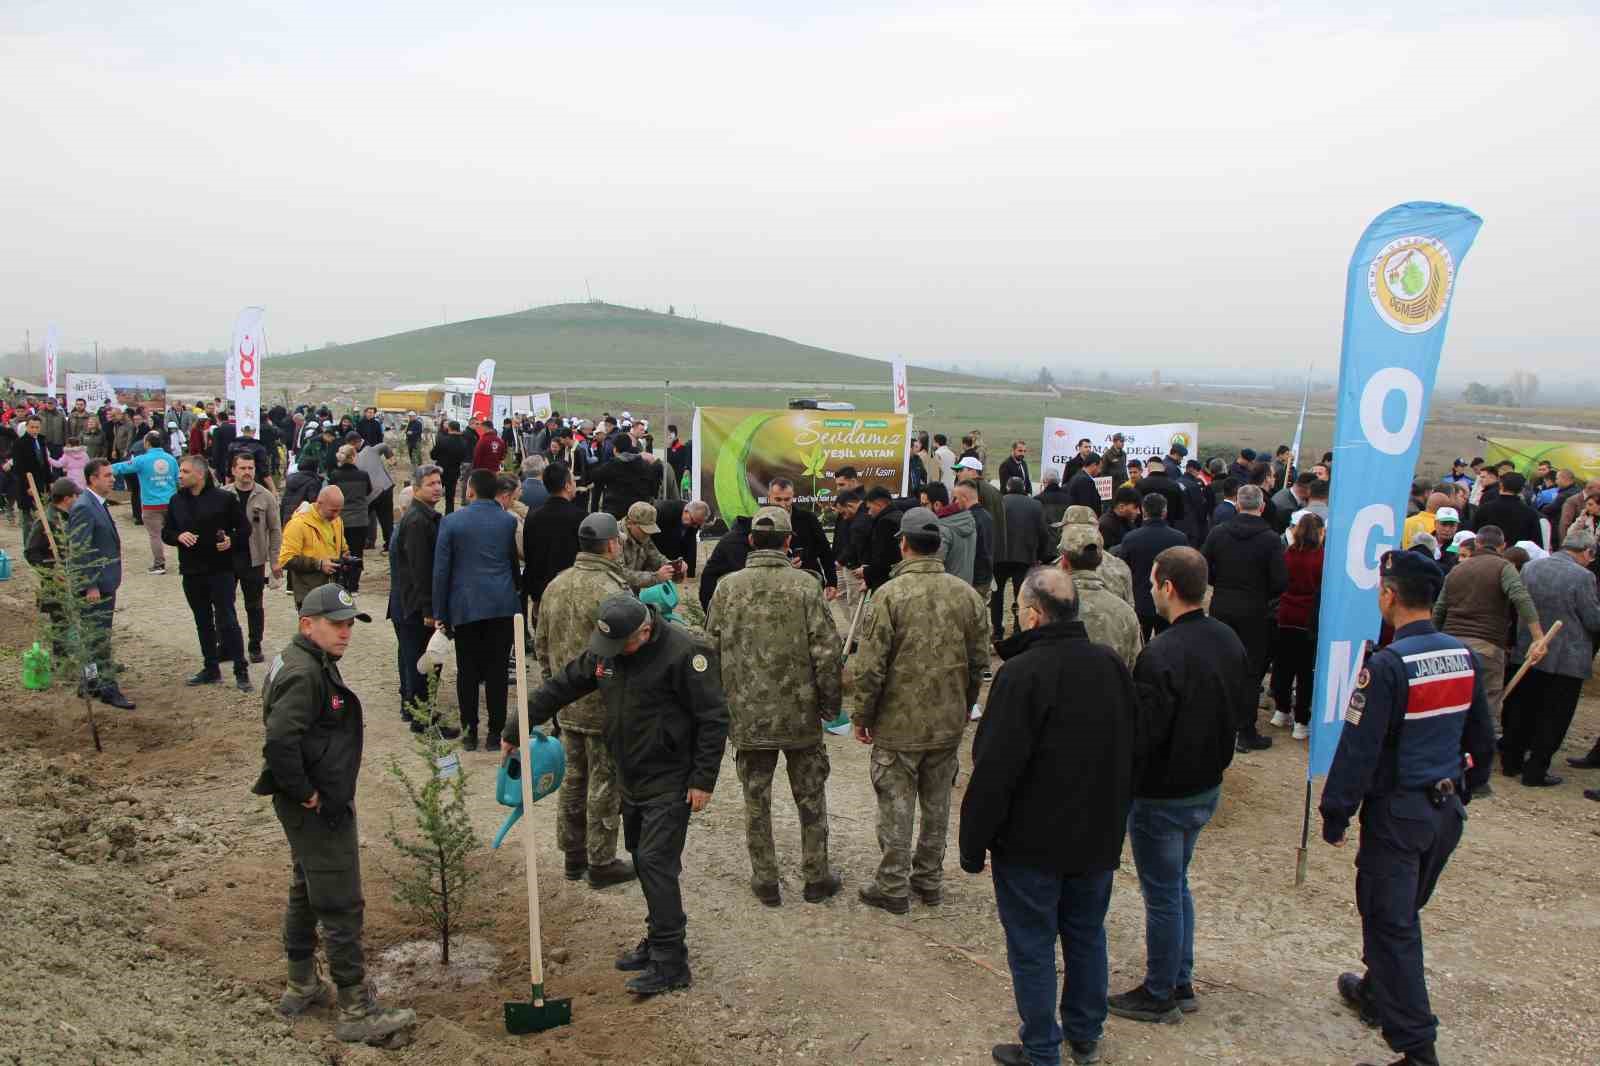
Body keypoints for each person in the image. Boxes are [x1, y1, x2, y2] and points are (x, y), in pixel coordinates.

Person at [502, 593, 729, 995]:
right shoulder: (609, 652)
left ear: (644, 630)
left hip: (670, 777)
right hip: (631, 774)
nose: (612, 654)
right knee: (643, 859)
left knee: (656, 862)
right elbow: (563, 685)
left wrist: (702, 779)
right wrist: (516, 725)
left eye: (620, 645)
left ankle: (671, 962)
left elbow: (713, 718)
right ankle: (658, 939)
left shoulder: (685, 653)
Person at [1319, 551, 1495, 1066]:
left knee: (1391, 924)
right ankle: (1377, 991)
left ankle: (1417, 1048)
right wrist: (1468, 786)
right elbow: (1482, 738)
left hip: (1400, 816)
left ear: (1389, 596)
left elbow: (1359, 748)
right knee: (1400, 910)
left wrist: (1336, 812)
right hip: (1444, 812)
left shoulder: (1388, 666)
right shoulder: (1462, 655)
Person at [961, 567, 1136, 1066]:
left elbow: (993, 768)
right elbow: (1132, 747)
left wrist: (974, 843)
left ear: (1034, 615)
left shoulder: (1021, 675)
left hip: (1031, 845)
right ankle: (1084, 1032)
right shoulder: (1111, 667)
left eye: (1019, 610)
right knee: (1086, 934)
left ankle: (1042, 1048)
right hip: (1095, 837)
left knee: (1033, 945)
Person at [252, 584, 417, 1042]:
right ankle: (354, 1009)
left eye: (349, 624)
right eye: (336, 625)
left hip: (312, 803)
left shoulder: (301, 659)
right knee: (341, 901)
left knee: (307, 886)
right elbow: (280, 741)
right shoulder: (304, 674)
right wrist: (305, 791)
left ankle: (301, 982)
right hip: (317, 807)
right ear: (308, 624)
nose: (345, 633)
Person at [1108, 546, 1249, 1026]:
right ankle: (1179, 978)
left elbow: (1144, 735)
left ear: (1168, 587)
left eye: (1152, 582)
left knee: (1163, 892)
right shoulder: (1228, 639)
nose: (1150, 590)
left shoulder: (1161, 653)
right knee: (1176, 884)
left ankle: (1161, 989)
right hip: (1205, 784)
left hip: (1165, 794)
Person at [846, 506, 989, 915]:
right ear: (940, 546)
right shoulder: (967, 595)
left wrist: (862, 716)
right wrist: (964, 705)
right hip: (947, 720)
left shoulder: (888, 596)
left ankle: (892, 884)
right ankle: (929, 880)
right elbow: (979, 661)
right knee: (937, 803)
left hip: (897, 722)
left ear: (904, 545)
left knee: (896, 803)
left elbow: (870, 666)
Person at [705, 506, 844, 907]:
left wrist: (717, 709)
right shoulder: (806, 586)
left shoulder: (728, 588)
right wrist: (830, 705)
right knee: (811, 796)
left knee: (755, 799)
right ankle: (816, 877)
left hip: (747, 717)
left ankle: (766, 880)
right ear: (788, 542)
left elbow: (709, 649)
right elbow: (826, 651)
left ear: (751, 541)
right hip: (800, 716)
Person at [531, 512, 637, 885]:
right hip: (603, 705)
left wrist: (552, 688)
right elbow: (628, 650)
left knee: (573, 780)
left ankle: (573, 856)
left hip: (565, 701)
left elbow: (540, 643)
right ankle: (601, 861)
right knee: (604, 784)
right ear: (611, 544)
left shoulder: (556, 585)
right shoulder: (612, 592)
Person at [1500, 527, 1600, 787]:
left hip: (1529, 650)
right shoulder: (1583, 577)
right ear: (1586, 552)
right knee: (1553, 718)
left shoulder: (1531, 568)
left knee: (1523, 709)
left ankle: (1511, 762)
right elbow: (1592, 618)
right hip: (1566, 658)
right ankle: (1536, 770)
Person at [431, 468, 518, 751]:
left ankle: (470, 732)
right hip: (501, 604)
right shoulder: (507, 521)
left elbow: (441, 571)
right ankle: (495, 733)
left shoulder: (452, 521)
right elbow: (511, 562)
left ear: (470, 491)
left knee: (467, 671)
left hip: (465, 605)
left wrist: (440, 612)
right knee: (497, 672)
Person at [1432, 525, 1543, 732]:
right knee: (1486, 708)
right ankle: (1479, 757)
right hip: (1487, 646)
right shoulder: (1503, 568)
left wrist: (1431, 642)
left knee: (1448, 706)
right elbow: (1521, 597)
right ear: (1503, 546)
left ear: (1478, 544)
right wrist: (1538, 637)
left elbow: (1439, 609)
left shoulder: (1457, 569)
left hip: (1451, 646)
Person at [1201, 484, 1287, 751]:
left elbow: (1204, 566)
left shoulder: (1218, 533)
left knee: (1220, 664)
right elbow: (1280, 581)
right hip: (1255, 610)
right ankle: (1245, 729)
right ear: (1261, 507)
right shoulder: (1271, 539)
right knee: (1250, 671)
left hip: (1222, 605)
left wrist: (1221, 582)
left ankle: (1216, 722)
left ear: (1238, 505)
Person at [163, 455, 252, 691]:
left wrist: (231, 540)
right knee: (202, 621)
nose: (179, 475)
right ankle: (211, 668)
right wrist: (178, 536)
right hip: (191, 571)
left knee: (227, 620)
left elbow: (245, 528)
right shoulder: (175, 501)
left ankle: (240, 669)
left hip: (220, 570)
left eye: (184, 471)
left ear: (200, 475)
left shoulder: (224, 499)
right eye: (179, 471)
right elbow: (166, 532)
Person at [60, 461, 136, 710]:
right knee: (99, 638)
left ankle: (89, 681)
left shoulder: (96, 504)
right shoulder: (84, 507)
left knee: (94, 637)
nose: (112, 479)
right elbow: (80, 551)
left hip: (104, 582)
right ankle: (107, 688)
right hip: (95, 587)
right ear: (93, 479)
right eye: (107, 476)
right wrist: (90, 585)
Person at [390, 465, 444, 727]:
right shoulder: (418, 521)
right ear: (417, 488)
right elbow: (419, 569)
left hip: (410, 603)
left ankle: (412, 710)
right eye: (431, 483)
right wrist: (428, 610)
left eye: (439, 483)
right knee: (421, 662)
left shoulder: (424, 517)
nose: (437, 487)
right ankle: (421, 718)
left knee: (413, 658)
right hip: (413, 606)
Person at [1057, 521, 1142, 672]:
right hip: (1114, 692)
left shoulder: (1046, 608)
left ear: (1063, 562)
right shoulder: (1125, 612)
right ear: (1100, 560)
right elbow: (1135, 665)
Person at [1271, 512, 1325, 741]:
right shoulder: (1322, 558)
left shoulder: (1289, 554)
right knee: (1305, 673)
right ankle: (1301, 721)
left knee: (1283, 666)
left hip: (1285, 615)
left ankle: (1281, 710)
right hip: (1309, 619)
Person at [229, 453, 283, 665]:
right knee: (225, 604)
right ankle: (227, 644)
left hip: (254, 558)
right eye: (242, 468)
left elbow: (275, 529)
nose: (247, 472)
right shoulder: (224, 495)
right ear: (233, 470)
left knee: (254, 605)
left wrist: (275, 560)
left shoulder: (265, 496)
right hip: (227, 558)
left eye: (250, 468)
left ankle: (255, 645)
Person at [1114, 493, 1188, 641]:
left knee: (1140, 646)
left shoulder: (1131, 539)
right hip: (1170, 602)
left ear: (1143, 510)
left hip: (1140, 601)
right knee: (1168, 647)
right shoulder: (1179, 538)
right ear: (1164, 512)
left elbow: (1122, 570)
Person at [111, 430, 179, 575]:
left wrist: (104, 468)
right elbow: (178, 479)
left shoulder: (141, 460)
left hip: (151, 504)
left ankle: (159, 565)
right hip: (171, 502)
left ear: (147, 444)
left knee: (155, 535)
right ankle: (184, 562)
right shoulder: (171, 459)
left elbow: (122, 467)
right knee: (178, 533)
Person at [994, 476, 1053, 641]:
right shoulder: (1035, 505)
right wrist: (1041, 555)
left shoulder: (999, 502)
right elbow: (1043, 532)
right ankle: (1019, 630)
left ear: (1007, 487)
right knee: (1021, 596)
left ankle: (997, 631)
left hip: (999, 557)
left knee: (996, 596)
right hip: (1025, 557)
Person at [522, 461, 585, 609]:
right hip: (570, 591)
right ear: (567, 486)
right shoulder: (580, 517)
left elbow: (529, 555)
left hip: (541, 591)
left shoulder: (533, 516)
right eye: (573, 480)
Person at [278, 486, 349, 608]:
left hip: (334, 589)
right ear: (320, 503)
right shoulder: (298, 524)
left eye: (339, 510)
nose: (336, 515)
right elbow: (285, 560)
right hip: (309, 593)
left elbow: (342, 548)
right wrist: (319, 564)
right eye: (333, 510)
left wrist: (346, 558)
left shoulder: (337, 521)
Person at [765, 478, 838, 595]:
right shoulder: (761, 521)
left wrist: (832, 582)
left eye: (787, 499)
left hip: (810, 582)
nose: (783, 504)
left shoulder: (808, 519)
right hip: (775, 586)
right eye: (778, 499)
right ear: (769, 497)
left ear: (793, 497)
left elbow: (825, 551)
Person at [325, 445, 371, 590]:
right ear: (354, 457)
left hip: (341, 519)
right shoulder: (363, 475)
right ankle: (354, 584)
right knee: (357, 552)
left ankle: (340, 583)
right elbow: (368, 491)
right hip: (360, 518)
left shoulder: (335, 475)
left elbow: (330, 493)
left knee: (339, 552)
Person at [1469, 472, 1542, 548]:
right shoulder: (1530, 514)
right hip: (1516, 557)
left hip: (1486, 553)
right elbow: (1536, 545)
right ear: (1521, 489)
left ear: (1501, 485)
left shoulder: (1484, 509)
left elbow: (1472, 535)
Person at [620, 501, 679, 590]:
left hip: (632, 594)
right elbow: (620, 574)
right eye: (644, 530)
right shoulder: (614, 539)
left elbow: (655, 557)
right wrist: (655, 577)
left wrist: (672, 566)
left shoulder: (642, 537)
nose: (647, 535)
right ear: (629, 523)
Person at [650, 498, 709, 580]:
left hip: (668, 545)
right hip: (655, 541)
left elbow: (690, 546)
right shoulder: (664, 511)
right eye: (693, 522)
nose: (695, 526)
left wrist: (690, 573)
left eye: (698, 525)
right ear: (686, 511)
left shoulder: (694, 519)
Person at [355, 439, 395, 552]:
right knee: (387, 518)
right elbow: (385, 445)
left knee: (362, 519)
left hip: (370, 495)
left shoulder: (354, 463)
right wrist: (391, 458)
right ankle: (389, 544)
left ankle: (364, 542)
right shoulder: (369, 450)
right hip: (385, 487)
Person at [429, 421, 471, 514]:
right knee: (450, 498)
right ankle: (449, 516)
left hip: (441, 471)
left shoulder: (443, 440)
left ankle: (429, 514)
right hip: (454, 471)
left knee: (433, 494)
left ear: (449, 428)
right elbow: (464, 457)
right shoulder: (463, 443)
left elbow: (433, 455)